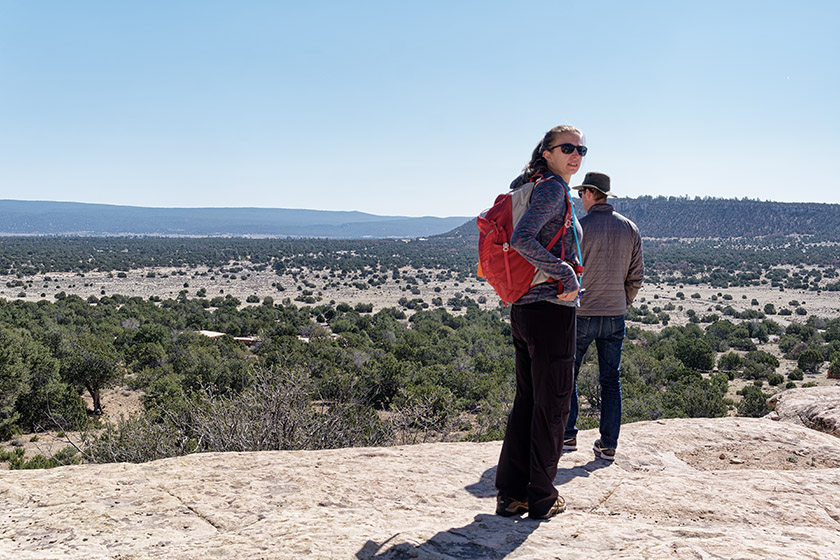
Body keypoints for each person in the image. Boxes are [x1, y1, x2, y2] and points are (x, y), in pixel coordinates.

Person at [495, 125, 584, 520]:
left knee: (529, 403)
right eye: (567, 147)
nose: (576, 154)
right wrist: (566, 274)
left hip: (525, 309)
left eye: (582, 148)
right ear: (546, 152)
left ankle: (511, 494)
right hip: (550, 310)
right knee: (553, 408)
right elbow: (523, 238)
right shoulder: (551, 189)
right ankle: (542, 499)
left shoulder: (531, 185)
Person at [564, 172, 643, 462]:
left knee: (568, 374)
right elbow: (636, 276)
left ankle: (568, 435)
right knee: (611, 380)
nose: (579, 198)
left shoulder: (579, 228)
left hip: (581, 313)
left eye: (581, 192)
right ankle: (608, 444)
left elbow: (567, 273)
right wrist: (623, 302)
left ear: (588, 193)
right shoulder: (630, 229)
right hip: (615, 314)